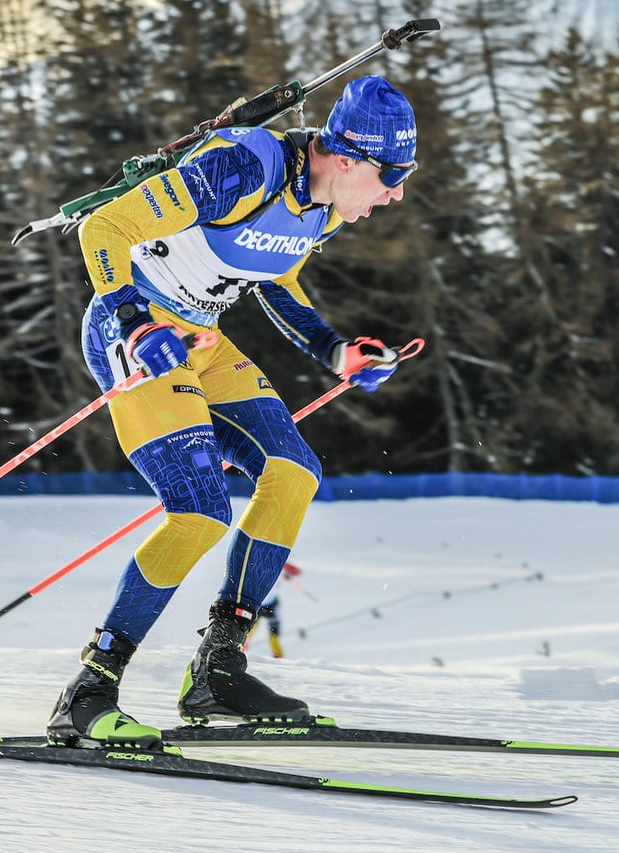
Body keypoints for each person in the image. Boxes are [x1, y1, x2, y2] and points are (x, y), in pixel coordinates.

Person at [47, 75, 418, 747]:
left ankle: (218, 670)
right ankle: (89, 690)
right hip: (135, 329)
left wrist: (335, 351)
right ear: (348, 158)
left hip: (203, 339)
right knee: (200, 512)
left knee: (292, 471)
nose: (396, 193)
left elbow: (276, 270)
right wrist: (133, 323)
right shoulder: (244, 167)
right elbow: (107, 226)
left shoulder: (325, 205)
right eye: (391, 175)